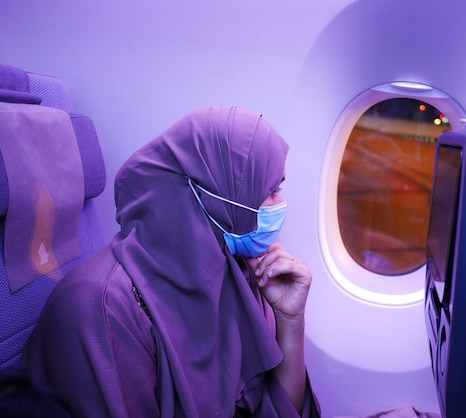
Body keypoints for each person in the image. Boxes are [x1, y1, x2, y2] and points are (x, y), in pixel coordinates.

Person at [21, 106, 320, 418]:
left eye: (278, 188)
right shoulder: (102, 308)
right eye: (269, 190)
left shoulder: (239, 275)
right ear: (210, 196)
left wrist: (290, 320)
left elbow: (281, 411)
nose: (280, 204)